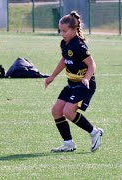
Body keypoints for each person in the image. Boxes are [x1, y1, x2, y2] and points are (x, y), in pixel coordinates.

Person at [44, 11, 103, 153]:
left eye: (65, 31)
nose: (62, 34)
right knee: (56, 111)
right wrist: (52, 76)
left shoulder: (79, 46)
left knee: (68, 112)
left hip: (83, 85)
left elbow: (92, 65)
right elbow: (64, 60)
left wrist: (86, 79)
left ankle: (95, 132)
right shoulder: (65, 43)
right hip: (71, 83)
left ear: (74, 29)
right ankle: (68, 143)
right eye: (60, 31)